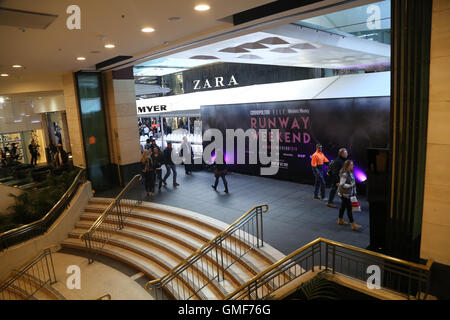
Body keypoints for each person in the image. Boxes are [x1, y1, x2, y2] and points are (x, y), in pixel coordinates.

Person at [337, 160, 361, 230]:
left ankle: (340, 220)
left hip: (347, 193)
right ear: (347, 166)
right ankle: (353, 224)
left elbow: (352, 182)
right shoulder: (344, 174)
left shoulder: (350, 172)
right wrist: (350, 186)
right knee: (349, 208)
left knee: (343, 206)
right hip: (344, 194)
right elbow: (342, 184)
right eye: (351, 165)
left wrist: (353, 190)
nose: (352, 166)